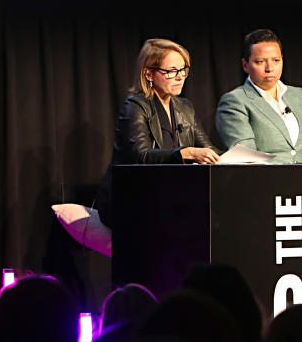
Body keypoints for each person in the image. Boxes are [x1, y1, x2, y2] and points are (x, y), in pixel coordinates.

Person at [94, 38, 221, 223]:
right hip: (132, 200)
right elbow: (140, 156)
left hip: (170, 196)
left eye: (183, 69)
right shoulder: (135, 106)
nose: (180, 77)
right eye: (171, 71)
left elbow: (208, 149)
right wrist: (185, 153)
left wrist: (241, 159)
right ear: (149, 74)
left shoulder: (185, 107)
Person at [215, 29, 302, 163]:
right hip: (266, 182)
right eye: (260, 62)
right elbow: (246, 159)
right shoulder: (235, 101)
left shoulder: (300, 96)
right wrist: (299, 169)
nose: (269, 68)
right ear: (245, 65)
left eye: (276, 60)